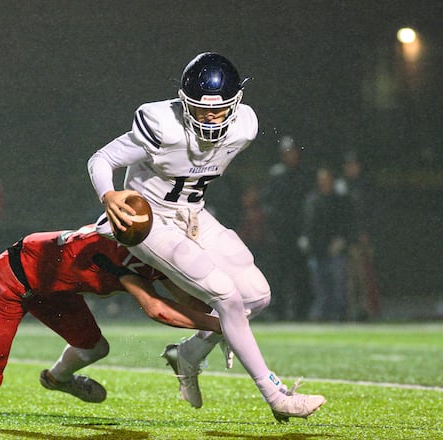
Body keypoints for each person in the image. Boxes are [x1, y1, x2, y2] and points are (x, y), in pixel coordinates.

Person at [87, 52, 325, 421]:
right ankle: (275, 394)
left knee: (257, 298)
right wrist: (109, 194)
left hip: (194, 215)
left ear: (236, 103)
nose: (210, 117)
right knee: (226, 296)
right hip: (148, 221)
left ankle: (188, 354)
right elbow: (101, 158)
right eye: (200, 109)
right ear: (184, 103)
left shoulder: (245, 127)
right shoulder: (161, 124)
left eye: (219, 109)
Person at [0, 225, 221, 428]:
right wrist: (220, 325)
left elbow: (186, 295)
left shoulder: (148, 248)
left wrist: (229, 310)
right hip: (10, 281)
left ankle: (58, 379)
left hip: (50, 287)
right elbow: (157, 308)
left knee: (96, 348)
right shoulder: (115, 250)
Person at [258, 136, 315, 321]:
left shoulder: (305, 174)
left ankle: (302, 311)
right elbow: (266, 200)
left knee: (300, 273)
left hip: (299, 230)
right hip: (281, 232)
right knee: (280, 273)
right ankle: (280, 310)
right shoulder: (277, 174)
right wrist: (273, 221)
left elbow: (308, 202)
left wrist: (306, 231)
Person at [299, 168, 356, 321]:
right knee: (319, 288)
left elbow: (347, 223)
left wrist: (342, 241)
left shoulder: (340, 200)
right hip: (317, 251)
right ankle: (322, 315)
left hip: (335, 251)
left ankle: (339, 316)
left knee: (338, 287)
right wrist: (305, 238)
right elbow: (307, 222)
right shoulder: (312, 200)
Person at [335, 151, 381, 321]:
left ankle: (369, 311)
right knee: (349, 280)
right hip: (347, 239)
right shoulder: (341, 186)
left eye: (353, 165)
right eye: (347, 165)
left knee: (365, 277)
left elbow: (370, 213)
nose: (350, 168)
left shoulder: (365, 186)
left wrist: (366, 232)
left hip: (361, 239)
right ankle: (352, 312)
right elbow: (339, 214)